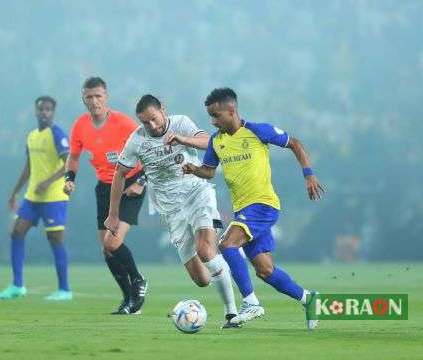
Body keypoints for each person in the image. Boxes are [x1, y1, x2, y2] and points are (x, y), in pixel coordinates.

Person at [183, 87, 324, 329]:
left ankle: (250, 303)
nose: (213, 121)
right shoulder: (217, 142)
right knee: (265, 271)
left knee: (226, 244)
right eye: (210, 117)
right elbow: (208, 171)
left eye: (216, 115)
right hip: (244, 211)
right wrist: (193, 169)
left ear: (231, 110)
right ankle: (308, 299)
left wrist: (308, 174)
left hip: (263, 205)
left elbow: (295, 143)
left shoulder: (257, 131)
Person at [104, 94, 239, 327]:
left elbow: (210, 142)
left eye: (154, 119)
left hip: (197, 193)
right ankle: (226, 264)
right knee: (202, 280)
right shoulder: (137, 139)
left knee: (205, 250)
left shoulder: (181, 123)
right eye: (146, 122)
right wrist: (113, 214)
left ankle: (232, 314)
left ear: (163, 110)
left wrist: (183, 139)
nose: (152, 126)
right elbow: (119, 173)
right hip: (172, 211)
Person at [64, 77, 147, 315]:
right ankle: (128, 300)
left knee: (113, 242)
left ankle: (139, 281)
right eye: (89, 97)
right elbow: (73, 156)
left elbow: (150, 150)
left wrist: (142, 181)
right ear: (83, 99)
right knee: (106, 249)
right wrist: (70, 179)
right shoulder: (80, 125)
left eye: (98, 96)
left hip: (131, 183)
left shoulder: (124, 123)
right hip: (105, 187)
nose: (94, 101)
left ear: (106, 97)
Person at [0, 96, 72, 301]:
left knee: (55, 239)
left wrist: (48, 181)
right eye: (41, 109)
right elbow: (28, 167)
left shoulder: (57, 134)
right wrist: (15, 192)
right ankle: (17, 286)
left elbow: (68, 164)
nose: (44, 113)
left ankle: (64, 290)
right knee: (17, 232)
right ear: (35, 111)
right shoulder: (31, 136)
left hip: (54, 196)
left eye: (48, 110)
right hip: (32, 196)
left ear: (53, 113)